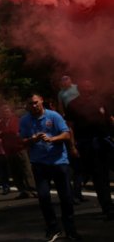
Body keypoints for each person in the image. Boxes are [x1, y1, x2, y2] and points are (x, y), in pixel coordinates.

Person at [20, 93, 80, 241]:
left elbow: (66, 134)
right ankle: (53, 228)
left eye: (35, 103)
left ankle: (71, 230)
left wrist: (53, 138)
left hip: (59, 162)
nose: (33, 106)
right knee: (44, 197)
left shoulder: (54, 116)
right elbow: (22, 141)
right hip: (39, 164)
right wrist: (32, 139)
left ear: (41, 101)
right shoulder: (24, 120)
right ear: (27, 106)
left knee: (66, 197)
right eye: (30, 104)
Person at [64, 80, 113, 221]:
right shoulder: (73, 104)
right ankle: (108, 207)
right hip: (88, 145)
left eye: (89, 86)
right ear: (79, 89)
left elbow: (110, 118)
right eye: (84, 87)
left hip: (106, 141)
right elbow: (70, 127)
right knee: (100, 177)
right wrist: (72, 146)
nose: (87, 89)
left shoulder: (101, 100)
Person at [0, 104, 36, 199]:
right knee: (15, 171)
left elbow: (15, 132)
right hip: (8, 150)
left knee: (26, 169)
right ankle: (22, 190)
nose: (5, 113)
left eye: (7, 111)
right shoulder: (1, 123)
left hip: (19, 148)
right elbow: (0, 134)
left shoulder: (17, 120)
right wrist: (5, 133)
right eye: (3, 112)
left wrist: (5, 133)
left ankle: (32, 189)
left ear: (10, 112)